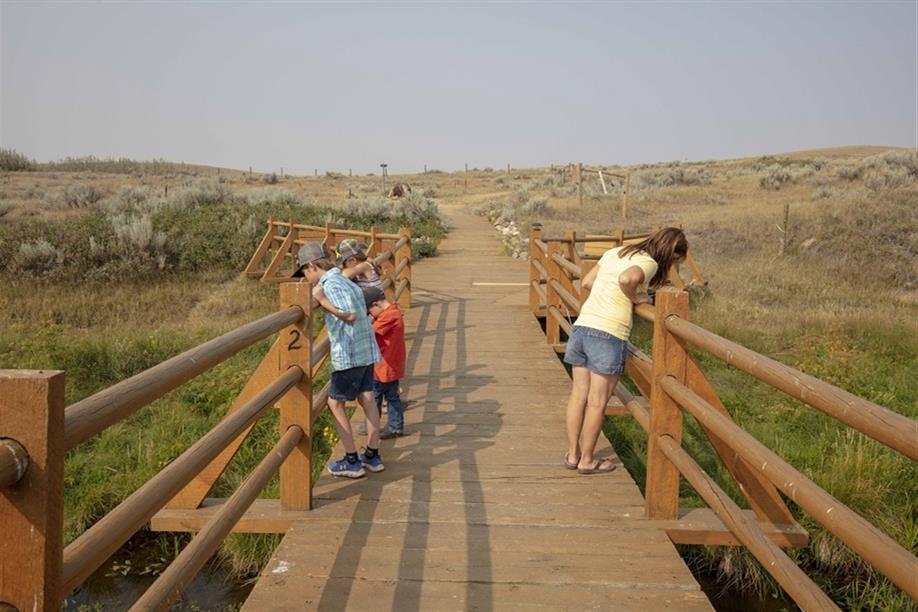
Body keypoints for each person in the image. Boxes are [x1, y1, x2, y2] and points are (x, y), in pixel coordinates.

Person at [563, 227, 688, 475]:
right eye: (675, 261)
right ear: (671, 252)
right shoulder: (648, 262)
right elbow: (626, 279)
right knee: (597, 403)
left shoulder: (616, 252)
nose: (672, 266)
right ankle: (588, 460)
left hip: (583, 327)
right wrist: (636, 297)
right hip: (608, 333)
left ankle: (572, 454)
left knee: (579, 396)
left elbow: (587, 282)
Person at [294, 241, 384, 478]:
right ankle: (373, 455)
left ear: (313, 266)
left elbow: (350, 314)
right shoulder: (343, 279)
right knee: (367, 398)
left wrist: (322, 301)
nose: (304, 277)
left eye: (305, 271)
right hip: (365, 350)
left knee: (335, 403)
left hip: (349, 353)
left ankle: (352, 460)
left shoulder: (330, 284)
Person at [363, 286, 407, 439]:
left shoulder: (388, 317)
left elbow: (370, 332)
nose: (370, 315)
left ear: (376, 305)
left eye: (369, 312)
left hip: (384, 365)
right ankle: (395, 427)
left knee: (375, 396)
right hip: (391, 363)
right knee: (391, 395)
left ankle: (372, 424)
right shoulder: (393, 312)